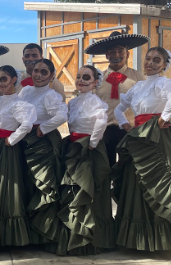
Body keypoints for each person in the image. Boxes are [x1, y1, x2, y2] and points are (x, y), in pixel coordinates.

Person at [112, 47, 171, 251]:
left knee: (158, 181)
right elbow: (119, 108)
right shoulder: (137, 87)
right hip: (138, 136)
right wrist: (124, 124)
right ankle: (137, 237)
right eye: (148, 58)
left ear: (164, 65)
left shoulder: (165, 83)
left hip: (156, 138)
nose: (150, 63)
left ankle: (159, 236)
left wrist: (162, 119)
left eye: (156, 60)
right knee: (137, 181)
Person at [48, 65, 115, 255]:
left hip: (89, 148)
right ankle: (72, 234)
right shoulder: (73, 103)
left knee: (89, 190)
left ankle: (91, 239)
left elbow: (101, 121)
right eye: (78, 77)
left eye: (86, 77)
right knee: (71, 189)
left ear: (95, 82)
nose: (81, 81)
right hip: (74, 146)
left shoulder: (96, 102)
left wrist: (93, 142)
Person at [0, 65, 37, 247]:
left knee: (5, 187)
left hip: (7, 148)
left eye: (4, 79)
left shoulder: (20, 104)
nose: (0, 83)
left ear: (14, 79)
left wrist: (12, 139)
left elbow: (27, 125)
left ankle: (8, 237)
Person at [18, 59, 68, 244]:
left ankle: (45, 233)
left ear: (52, 76)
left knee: (43, 184)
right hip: (25, 139)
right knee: (27, 183)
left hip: (42, 141)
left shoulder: (51, 95)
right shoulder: (25, 91)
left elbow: (62, 115)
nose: (38, 75)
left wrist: (44, 127)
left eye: (44, 72)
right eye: (36, 70)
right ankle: (28, 233)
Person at [85, 32, 148, 167]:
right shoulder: (98, 79)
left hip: (129, 130)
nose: (116, 55)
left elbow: (147, 104)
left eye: (120, 51)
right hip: (105, 130)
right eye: (112, 52)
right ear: (107, 55)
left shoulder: (138, 78)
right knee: (105, 168)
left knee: (128, 169)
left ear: (128, 54)